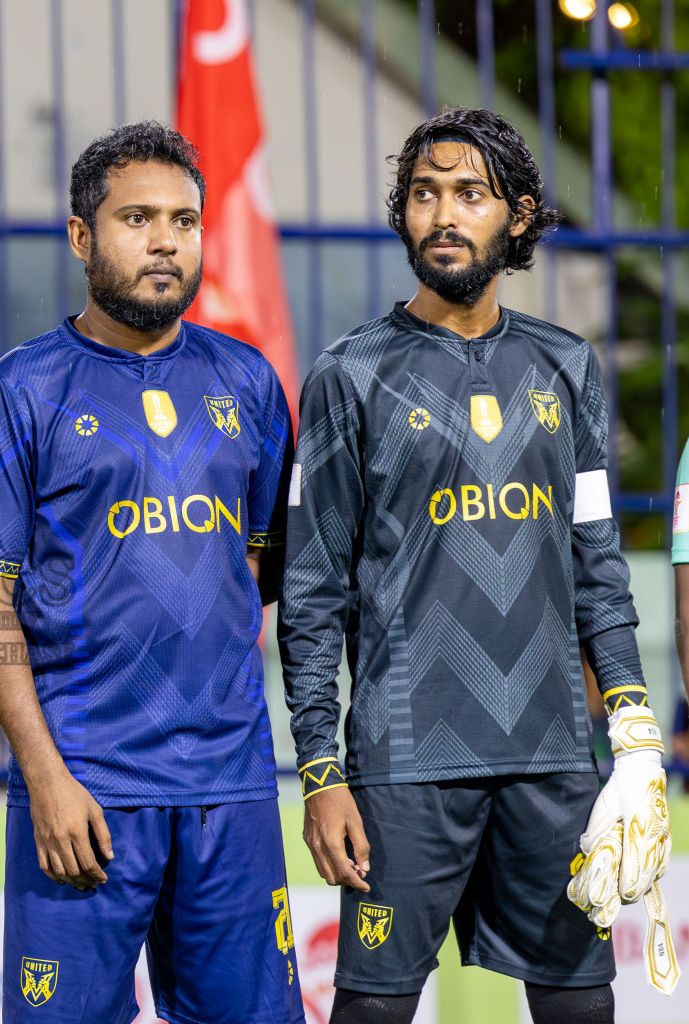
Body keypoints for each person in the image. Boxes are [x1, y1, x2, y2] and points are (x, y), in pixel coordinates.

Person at [279, 106, 676, 1024]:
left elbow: (597, 565)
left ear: (521, 216)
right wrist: (321, 772)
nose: (443, 214)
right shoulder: (350, 374)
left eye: (470, 194)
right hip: (405, 764)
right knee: (372, 1012)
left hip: (552, 763)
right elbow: (310, 593)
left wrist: (635, 738)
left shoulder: (566, 365)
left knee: (582, 1009)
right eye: (424, 194)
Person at [0, 121, 302, 1024]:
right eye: (137, 218)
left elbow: (258, 565)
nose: (164, 242)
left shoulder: (249, 382)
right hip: (87, 787)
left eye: (184, 221)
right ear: (81, 236)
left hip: (229, 786)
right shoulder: (21, 389)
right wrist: (45, 777)